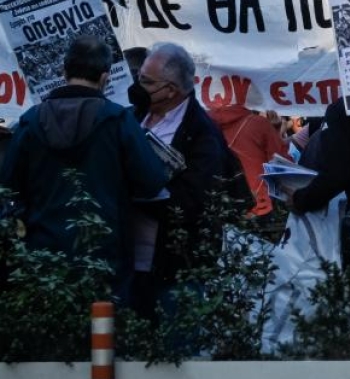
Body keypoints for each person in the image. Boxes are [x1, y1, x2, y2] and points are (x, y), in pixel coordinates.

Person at [0, 37, 168, 296]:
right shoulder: (118, 120)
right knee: (102, 333)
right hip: (106, 260)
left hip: (44, 259)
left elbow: (8, 186)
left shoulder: (30, 121)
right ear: (104, 78)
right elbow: (152, 182)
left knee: (53, 334)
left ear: (64, 72)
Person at [131, 43, 230, 313]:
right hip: (128, 266)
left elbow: (194, 201)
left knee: (177, 352)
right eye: (139, 78)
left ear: (171, 89)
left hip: (176, 271)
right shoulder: (132, 118)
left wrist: (137, 195)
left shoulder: (201, 133)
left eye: (146, 82)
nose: (138, 87)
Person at [208, 104, 287, 217]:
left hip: (214, 206)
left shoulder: (200, 123)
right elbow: (282, 166)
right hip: (258, 206)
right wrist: (274, 132)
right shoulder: (259, 124)